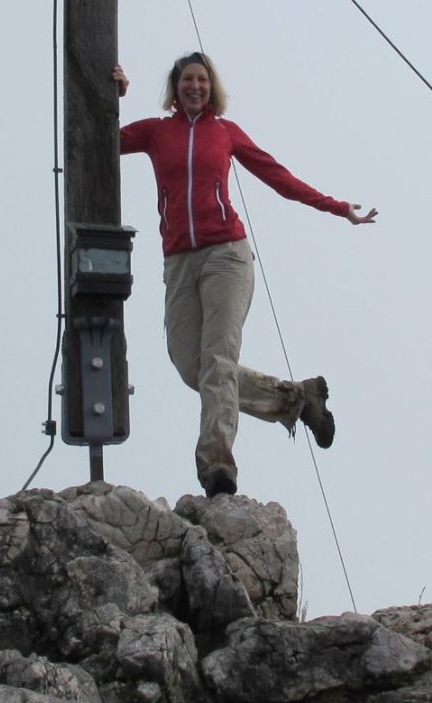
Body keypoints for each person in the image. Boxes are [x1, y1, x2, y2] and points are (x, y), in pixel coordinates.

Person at [113, 52, 377, 498]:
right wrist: (113, 95)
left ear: (211, 86)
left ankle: (217, 466)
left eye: (201, 80)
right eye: (186, 81)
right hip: (179, 261)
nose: (194, 86)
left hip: (226, 257)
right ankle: (297, 399)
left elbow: (278, 177)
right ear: (175, 89)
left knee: (217, 358)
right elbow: (101, 139)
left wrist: (338, 207)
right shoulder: (157, 133)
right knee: (190, 366)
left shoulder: (225, 133)